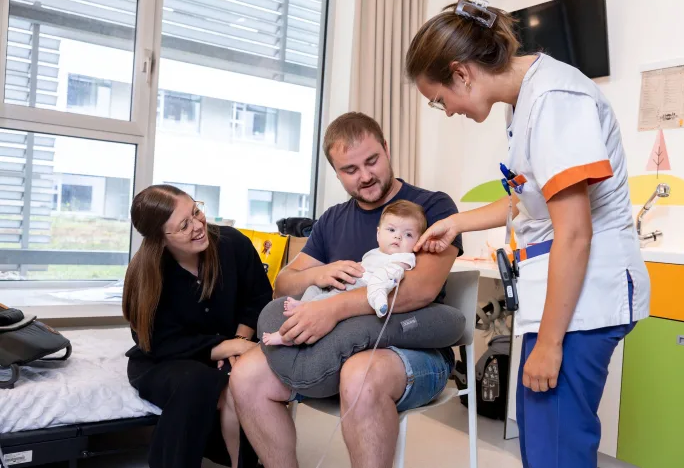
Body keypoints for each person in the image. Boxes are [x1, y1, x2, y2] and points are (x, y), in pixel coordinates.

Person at [405, 0, 650, 468]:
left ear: (461, 73)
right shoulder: (524, 102)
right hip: (564, 300)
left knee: (555, 449)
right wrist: (457, 221)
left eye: (438, 99)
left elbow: (575, 233)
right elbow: (530, 199)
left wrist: (551, 344)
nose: (447, 110)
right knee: (543, 442)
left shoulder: (556, 98)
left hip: (585, 302)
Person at [230, 112, 464, 468]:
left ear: (386, 149)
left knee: (360, 374)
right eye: (350, 170)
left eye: (372, 161)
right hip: (331, 351)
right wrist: (320, 273)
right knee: (246, 375)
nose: (366, 176)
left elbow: (421, 290)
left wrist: (335, 307)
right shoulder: (332, 220)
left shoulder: (431, 207)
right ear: (336, 173)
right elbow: (283, 283)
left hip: (416, 349)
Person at [123, 185, 273, 468]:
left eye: (196, 211)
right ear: (160, 239)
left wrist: (241, 341)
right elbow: (157, 342)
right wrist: (226, 347)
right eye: (184, 225)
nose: (198, 225)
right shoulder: (147, 274)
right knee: (196, 381)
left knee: (242, 381)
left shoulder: (232, 245)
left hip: (233, 349)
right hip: (165, 360)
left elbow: (258, 298)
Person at [262, 199, 426, 347]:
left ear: (417, 242)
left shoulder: (404, 258)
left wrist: (378, 290)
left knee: (322, 301)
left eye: (408, 234)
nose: (398, 236)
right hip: (350, 282)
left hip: (362, 290)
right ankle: (302, 308)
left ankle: (287, 337)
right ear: (378, 233)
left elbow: (390, 274)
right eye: (391, 230)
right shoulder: (374, 252)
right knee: (314, 290)